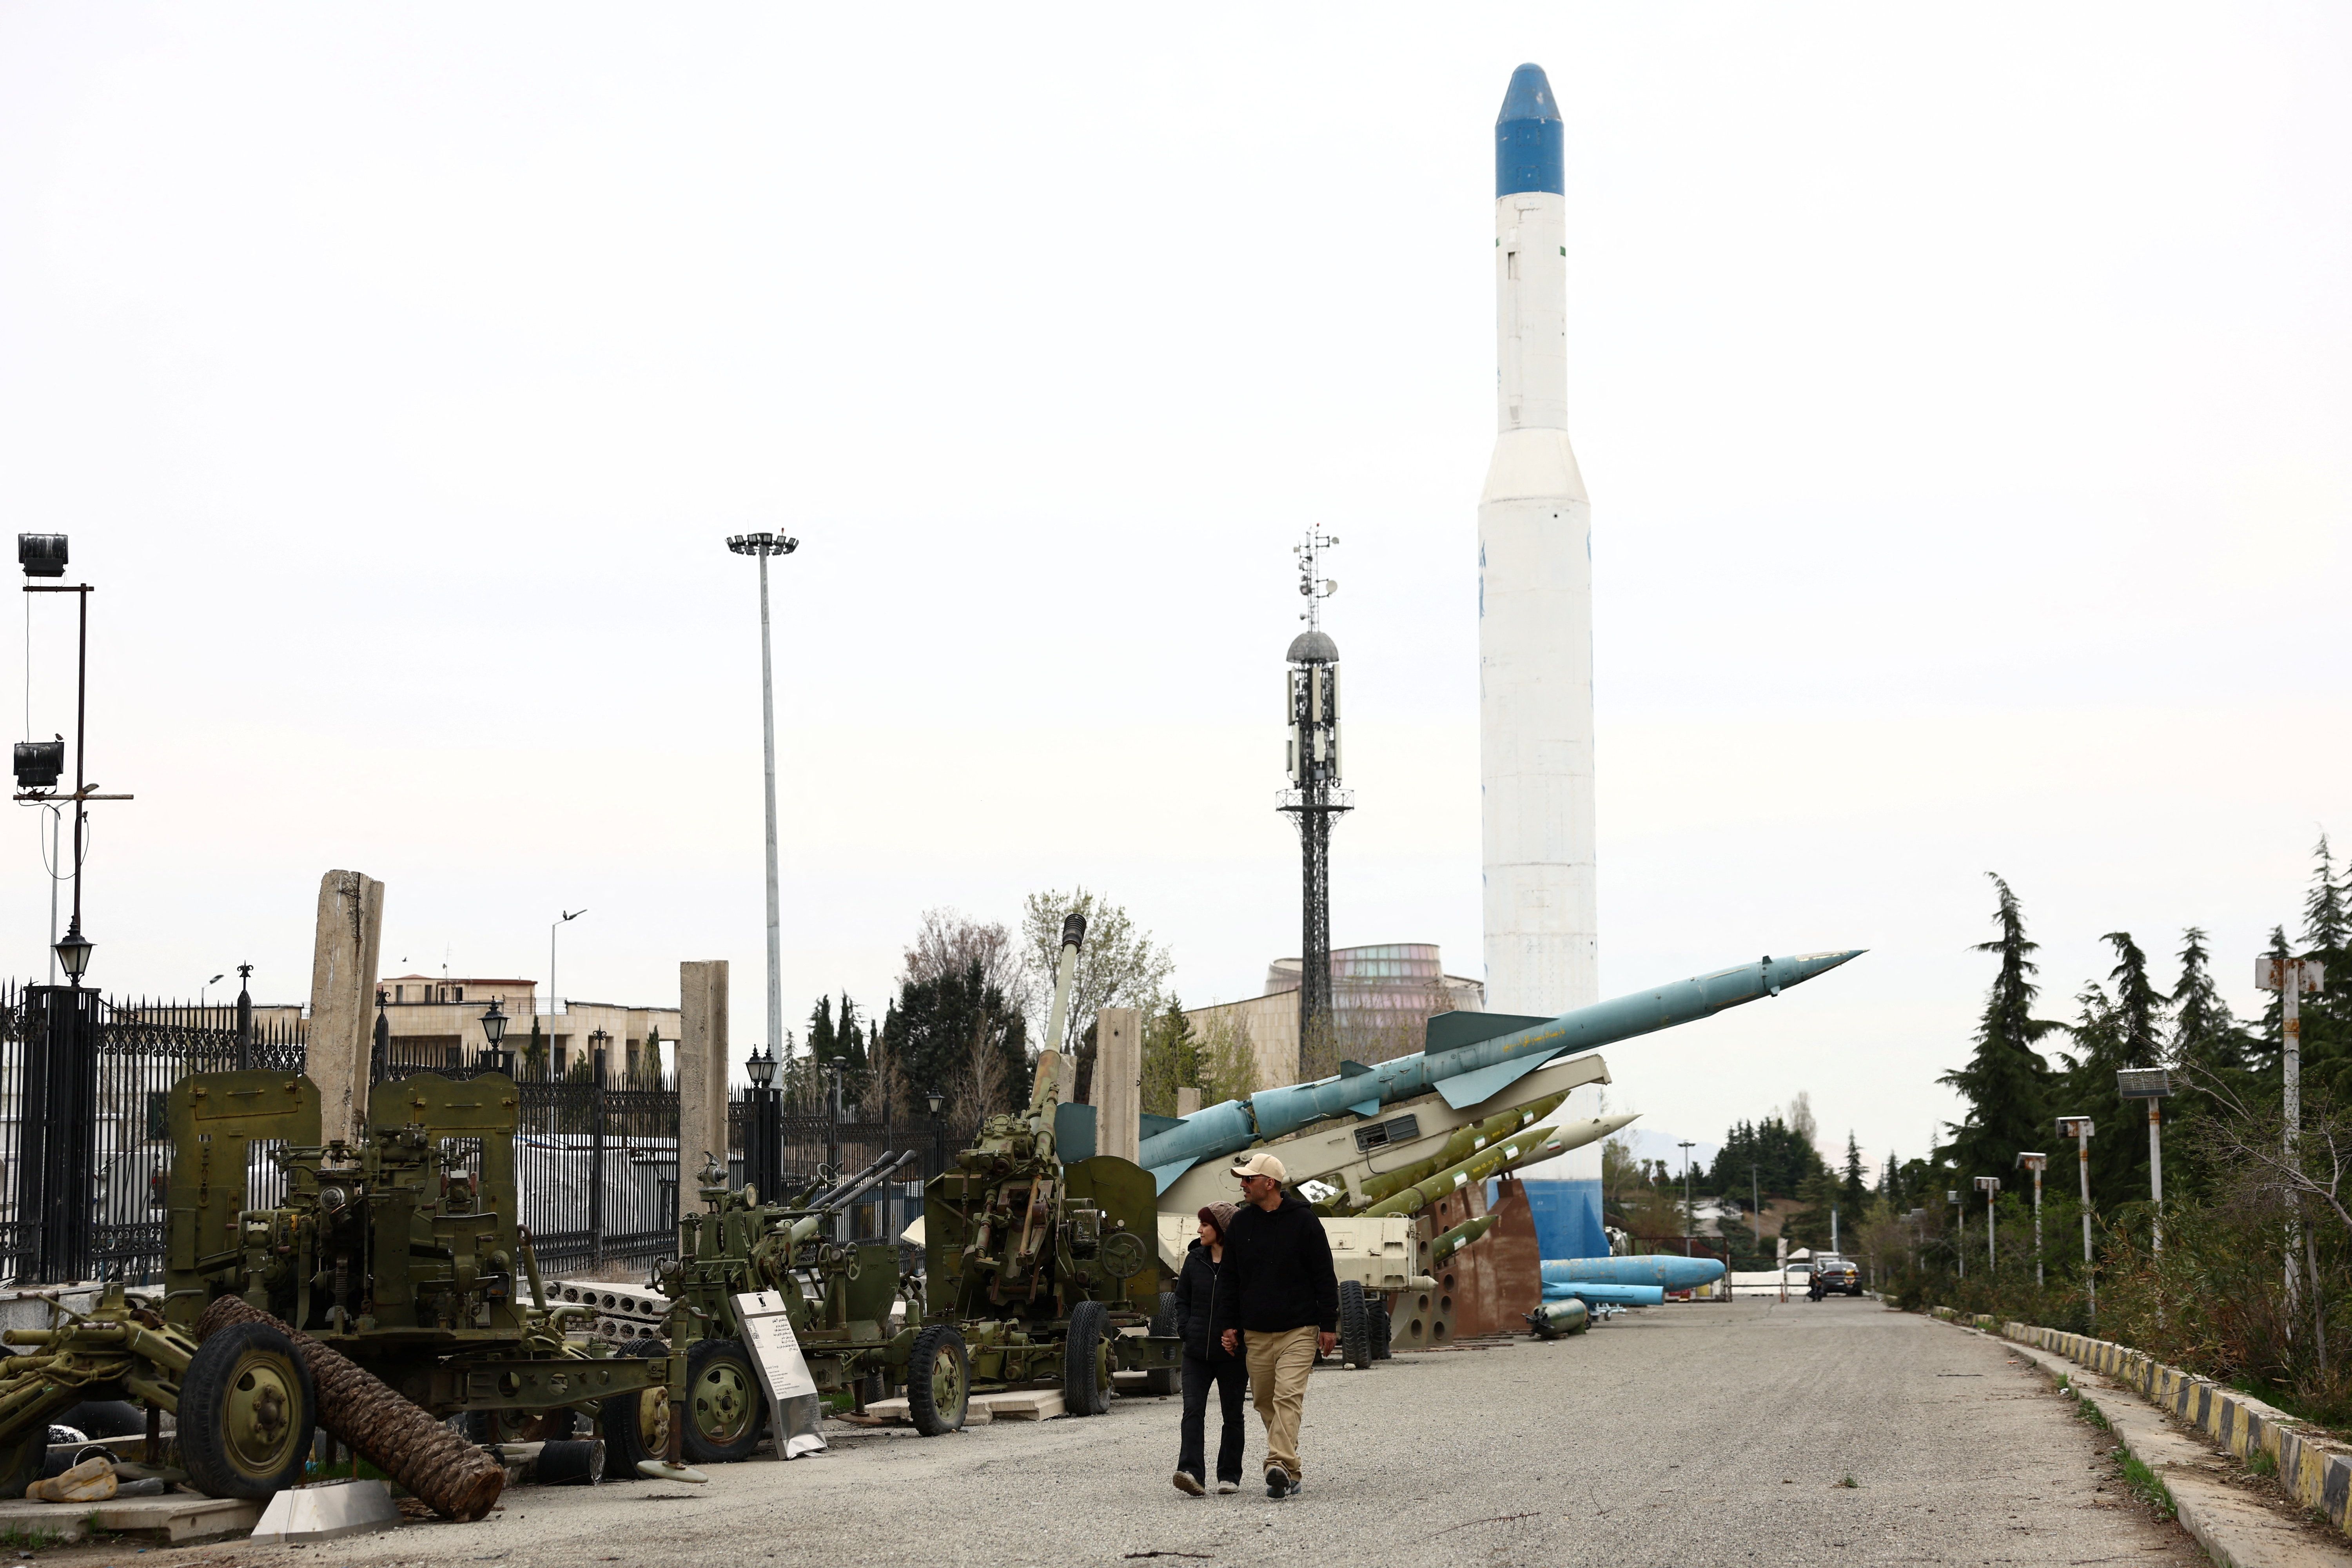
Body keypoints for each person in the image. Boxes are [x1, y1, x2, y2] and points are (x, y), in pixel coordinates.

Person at [1212, 1151, 1336, 1499]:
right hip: (1256, 1331)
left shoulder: (1305, 1222)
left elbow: (1325, 1277)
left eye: (1248, 1179)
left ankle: (1277, 1463)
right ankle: (1290, 1472)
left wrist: (1328, 1325)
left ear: (1270, 1183)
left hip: (1299, 1329)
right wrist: (1228, 1325)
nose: (1242, 1185)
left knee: (1288, 1397)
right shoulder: (1241, 1224)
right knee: (1265, 1400)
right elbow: (1231, 1278)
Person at [1170, 1201, 1247, 1497]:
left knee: (1233, 1415)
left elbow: (1249, 1303)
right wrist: (1187, 1332)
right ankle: (1191, 1473)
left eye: (1206, 1224)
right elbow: (1181, 1300)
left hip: (1231, 1356)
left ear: (1222, 1229)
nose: (1199, 1229)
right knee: (1193, 1412)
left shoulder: (1242, 1264)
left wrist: (1239, 1335)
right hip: (1196, 1354)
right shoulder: (1194, 1260)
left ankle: (1229, 1476)